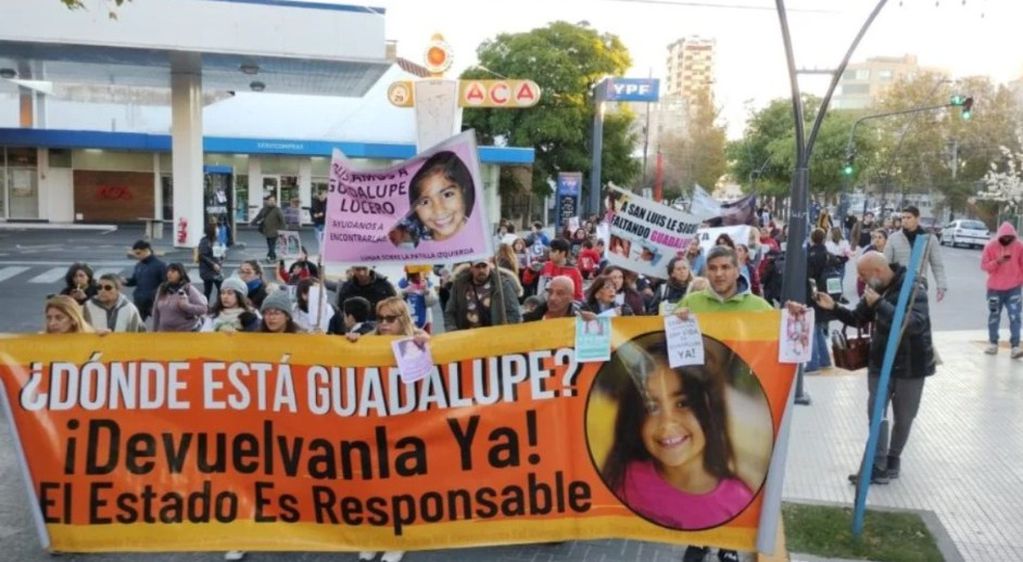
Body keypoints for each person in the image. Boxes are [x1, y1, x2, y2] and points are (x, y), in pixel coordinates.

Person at [672, 245, 803, 562]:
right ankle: (701, 538)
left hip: (741, 407)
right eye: (713, 268)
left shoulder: (757, 307)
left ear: (737, 269)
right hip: (700, 407)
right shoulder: (691, 303)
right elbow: (667, 343)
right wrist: (674, 322)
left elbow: (783, 345)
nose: (718, 274)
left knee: (733, 473)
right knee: (703, 473)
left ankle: (729, 541)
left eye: (725, 268)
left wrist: (793, 319)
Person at [601, 343, 752, 530]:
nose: (667, 422)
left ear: (712, 409)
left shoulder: (739, 500)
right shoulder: (624, 478)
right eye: (651, 407)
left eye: (683, 403)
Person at [814, 252, 936, 484]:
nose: (860, 279)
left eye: (862, 274)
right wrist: (834, 307)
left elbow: (914, 324)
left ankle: (893, 458)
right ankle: (876, 465)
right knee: (876, 414)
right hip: (880, 362)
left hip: (911, 365)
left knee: (904, 416)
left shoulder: (913, 288)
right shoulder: (877, 288)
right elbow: (858, 317)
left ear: (877, 272)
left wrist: (880, 304)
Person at [347, 296, 430, 562]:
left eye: (390, 319)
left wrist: (427, 345)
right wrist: (347, 345)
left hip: (407, 423)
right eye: (380, 319)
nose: (383, 324)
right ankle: (375, 535)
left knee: (401, 484)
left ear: (403, 319)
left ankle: (399, 538)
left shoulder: (417, 341)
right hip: (373, 422)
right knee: (373, 483)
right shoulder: (366, 341)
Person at [389, 151, 474, 246]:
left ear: (463, 190)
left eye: (447, 195)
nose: (439, 210)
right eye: (425, 202)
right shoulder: (414, 249)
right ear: (415, 208)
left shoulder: (481, 239)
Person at [884, 206, 947, 302]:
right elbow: (885, 263)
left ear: (917, 219)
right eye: (903, 218)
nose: (905, 221)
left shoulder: (929, 238)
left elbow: (937, 265)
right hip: (898, 282)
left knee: (916, 314)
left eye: (909, 218)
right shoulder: (893, 238)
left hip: (919, 282)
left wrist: (941, 286)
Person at [981, 222, 1023, 357]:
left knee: (1015, 316)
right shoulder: (990, 246)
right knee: (994, 316)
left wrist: (1019, 281)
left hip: (1014, 288)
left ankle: (1015, 346)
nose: (1006, 240)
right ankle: (993, 343)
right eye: (1004, 238)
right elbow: (984, 266)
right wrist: (997, 261)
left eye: (1009, 238)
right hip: (994, 289)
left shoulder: (1019, 246)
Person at [444, 259, 522, 331]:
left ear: (490, 266)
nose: (481, 270)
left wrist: (507, 332)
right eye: (477, 267)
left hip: (495, 336)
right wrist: (452, 329)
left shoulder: (502, 285)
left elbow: (514, 312)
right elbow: (450, 311)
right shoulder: (459, 285)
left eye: (484, 266)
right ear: (471, 268)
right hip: (467, 337)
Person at [152, 263, 208, 332]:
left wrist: (187, 306)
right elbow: (156, 311)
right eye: (168, 271)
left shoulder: (188, 288)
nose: (169, 274)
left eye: (173, 271)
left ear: (180, 273)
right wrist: (154, 331)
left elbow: (203, 309)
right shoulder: (162, 288)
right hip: (165, 333)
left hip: (185, 333)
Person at [124, 239, 167, 321]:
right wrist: (125, 281)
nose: (136, 256)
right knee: (136, 326)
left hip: (154, 302)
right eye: (135, 253)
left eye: (138, 253)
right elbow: (135, 281)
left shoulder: (160, 266)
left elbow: (166, 284)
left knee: (159, 325)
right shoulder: (139, 265)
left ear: (146, 251)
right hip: (140, 301)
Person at [398, 266, 437, 332]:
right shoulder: (402, 284)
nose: (418, 276)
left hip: (425, 320)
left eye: (421, 273)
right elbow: (394, 301)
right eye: (416, 274)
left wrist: (427, 292)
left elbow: (431, 303)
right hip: (406, 321)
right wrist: (404, 292)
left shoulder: (428, 284)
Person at [250, 194, 286, 263]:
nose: (272, 202)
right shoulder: (264, 209)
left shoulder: (277, 210)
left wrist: (282, 231)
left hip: (275, 231)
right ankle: (272, 255)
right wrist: (252, 222)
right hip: (267, 230)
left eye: (273, 200)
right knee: (269, 243)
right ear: (267, 201)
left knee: (272, 244)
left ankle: (270, 256)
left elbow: (283, 220)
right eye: (270, 200)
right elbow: (258, 217)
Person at [197, 223, 225, 302]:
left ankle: (217, 305)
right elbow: (202, 256)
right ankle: (205, 306)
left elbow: (218, 253)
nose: (218, 230)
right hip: (208, 270)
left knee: (221, 288)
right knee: (208, 290)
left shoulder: (215, 240)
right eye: (216, 229)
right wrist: (213, 264)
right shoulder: (205, 242)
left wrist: (222, 256)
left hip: (217, 270)